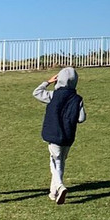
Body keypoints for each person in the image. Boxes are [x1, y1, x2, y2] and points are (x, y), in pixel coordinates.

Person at [33, 66, 87, 205]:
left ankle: (60, 186)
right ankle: (53, 192)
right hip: (68, 136)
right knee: (61, 162)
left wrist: (48, 82)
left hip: (54, 134)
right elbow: (81, 118)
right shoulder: (78, 99)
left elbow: (36, 93)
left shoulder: (53, 95)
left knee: (54, 162)